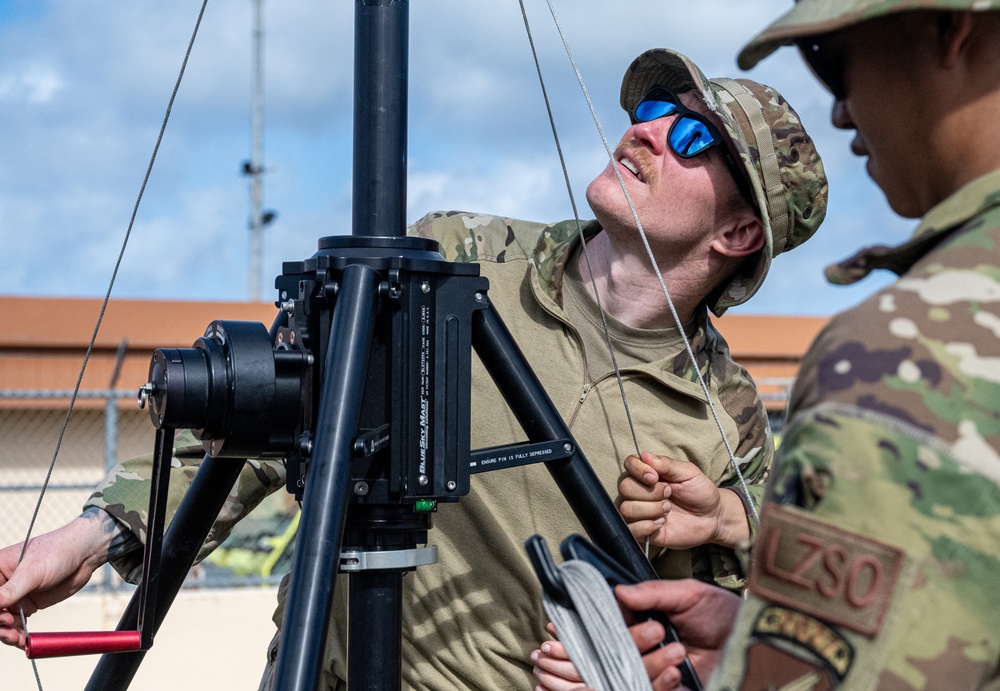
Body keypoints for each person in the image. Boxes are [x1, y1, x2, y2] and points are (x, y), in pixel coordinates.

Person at [0, 48, 828, 690]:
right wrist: (95, 534)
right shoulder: (461, 257)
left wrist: (708, 546)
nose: (643, 130)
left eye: (689, 137)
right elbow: (276, 409)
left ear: (739, 235)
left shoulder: (725, 411)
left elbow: (750, 627)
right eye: (651, 110)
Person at [534, 3, 1000, 690]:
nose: (842, 114)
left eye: (833, 62)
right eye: (655, 106)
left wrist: (757, 659)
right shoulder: (461, 254)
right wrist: (753, 638)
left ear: (950, 31)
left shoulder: (905, 351)